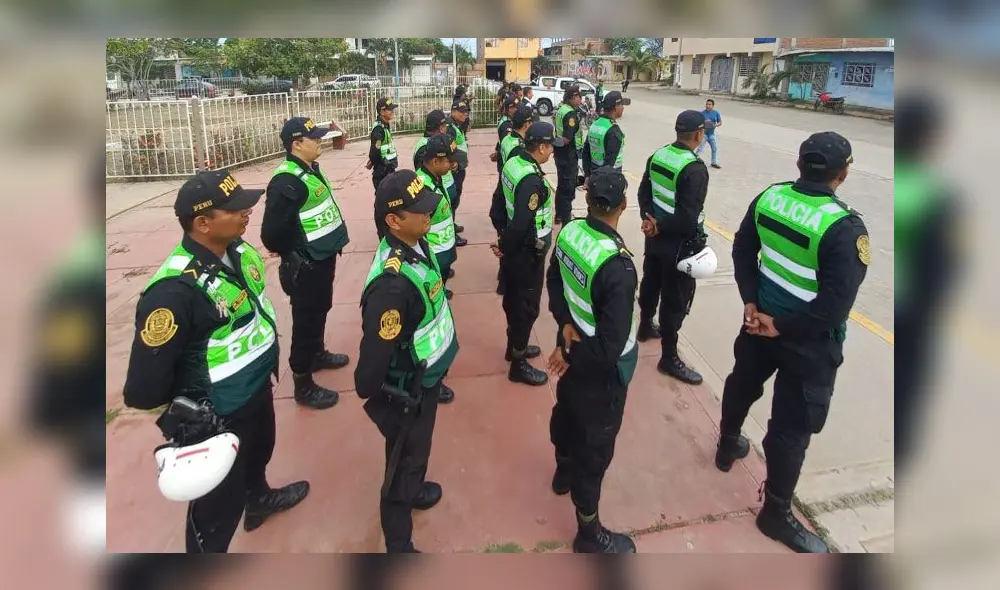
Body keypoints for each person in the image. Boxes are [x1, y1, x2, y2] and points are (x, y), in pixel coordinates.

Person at [123, 169, 310, 553]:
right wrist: (192, 418)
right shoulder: (173, 292)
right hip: (218, 411)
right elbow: (143, 388)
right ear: (203, 223)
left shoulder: (238, 251)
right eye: (235, 209)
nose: (248, 212)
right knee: (217, 507)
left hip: (256, 386)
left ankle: (258, 500)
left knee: (260, 451)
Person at [717, 132, 869, 553]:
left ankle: (727, 441)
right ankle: (775, 513)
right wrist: (779, 325)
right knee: (790, 429)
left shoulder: (770, 198)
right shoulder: (844, 226)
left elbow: (743, 249)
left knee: (741, 383)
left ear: (800, 164)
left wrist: (751, 301)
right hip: (805, 343)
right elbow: (834, 307)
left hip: (757, 323)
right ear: (843, 173)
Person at [355, 170, 460, 552]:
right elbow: (368, 373)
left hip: (425, 379)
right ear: (393, 221)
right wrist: (393, 400)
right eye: (420, 211)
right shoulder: (391, 286)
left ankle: (413, 489)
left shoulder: (415, 244)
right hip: (407, 391)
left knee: (418, 454)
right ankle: (399, 544)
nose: (429, 215)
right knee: (403, 464)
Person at [545, 166, 639, 554]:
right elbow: (611, 347)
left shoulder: (569, 233)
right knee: (595, 447)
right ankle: (588, 530)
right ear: (623, 205)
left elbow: (553, 282)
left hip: (573, 353)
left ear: (586, 199)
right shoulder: (618, 265)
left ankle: (562, 470)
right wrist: (571, 349)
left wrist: (565, 327)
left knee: (565, 416)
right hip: (600, 372)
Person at [261, 117, 348, 410]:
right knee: (305, 319)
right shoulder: (286, 181)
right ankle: (303, 381)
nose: (320, 141)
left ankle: (317, 353)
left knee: (320, 309)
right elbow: (272, 233)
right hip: (307, 264)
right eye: (315, 138)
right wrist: (295, 253)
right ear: (297, 144)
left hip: (322, 257)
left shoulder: (307, 170)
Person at [636, 110, 710, 385]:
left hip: (654, 237)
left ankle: (644, 326)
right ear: (699, 134)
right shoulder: (694, 168)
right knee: (675, 299)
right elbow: (688, 217)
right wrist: (660, 226)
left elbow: (644, 193)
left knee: (651, 282)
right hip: (678, 243)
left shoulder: (658, 155)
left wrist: (649, 221)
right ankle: (669, 357)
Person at [498, 121, 564, 385]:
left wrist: (502, 238)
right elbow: (523, 222)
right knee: (525, 308)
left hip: (517, 250)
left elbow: (498, 203)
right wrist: (506, 245)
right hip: (526, 254)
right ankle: (518, 364)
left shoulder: (514, 162)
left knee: (514, 302)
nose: (552, 153)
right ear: (541, 147)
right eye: (551, 148)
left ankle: (516, 345)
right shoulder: (531, 180)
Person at [490, 103, 533, 296]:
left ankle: (503, 276)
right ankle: (506, 282)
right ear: (526, 124)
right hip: (510, 192)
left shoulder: (508, 138)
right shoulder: (518, 147)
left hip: (503, 186)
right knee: (510, 239)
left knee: (504, 234)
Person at [412, 110, 467, 248]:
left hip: (445, 186)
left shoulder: (438, 142)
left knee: (449, 211)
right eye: (445, 125)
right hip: (436, 191)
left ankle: (451, 229)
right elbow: (424, 173)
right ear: (441, 127)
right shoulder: (426, 147)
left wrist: (452, 164)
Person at [415, 135, 459, 301]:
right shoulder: (423, 188)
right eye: (449, 161)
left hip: (444, 247)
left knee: (444, 276)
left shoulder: (436, 178)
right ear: (435, 162)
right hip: (434, 252)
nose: (453, 164)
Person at [552, 84, 585, 224]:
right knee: (568, 188)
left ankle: (559, 214)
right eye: (578, 97)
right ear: (571, 98)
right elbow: (566, 139)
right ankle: (566, 220)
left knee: (561, 185)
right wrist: (552, 142)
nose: (581, 100)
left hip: (560, 156)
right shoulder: (570, 114)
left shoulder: (561, 109)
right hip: (568, 155)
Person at [582, 91, 628, 178]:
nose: (623, 108)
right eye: (621, 105)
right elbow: (609, 164)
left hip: (593, 173)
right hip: (609, 179)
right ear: (615, 107)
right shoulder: (613, 130)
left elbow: (586, 153)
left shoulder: (595, 124)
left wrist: (587, 176)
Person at [446, 101, 471, 240]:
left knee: (455, 200)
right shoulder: (450, 127)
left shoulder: (456, 125)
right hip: (455, 171)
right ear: (453, 111)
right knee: (452, 201)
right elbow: (449, 150)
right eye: (461, 111)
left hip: (459, 169)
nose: (464, 114)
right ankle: (452, 234)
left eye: (465, 111)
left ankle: (452, 224)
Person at [367, 97, 400, 190]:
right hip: (383, 172)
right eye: (390, 110)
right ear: (382, 112)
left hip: (388, 170)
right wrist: (386, 164)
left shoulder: (385, 125)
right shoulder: (379, 129)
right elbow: (374, 155)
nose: (392, 112)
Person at [696, 99, 722, 169]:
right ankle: (695, 160)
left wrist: (715, 125)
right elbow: (698, 123)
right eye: (707, 104)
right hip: (703, 134)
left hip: (711, 134)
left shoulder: (716, 113)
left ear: (713, 106)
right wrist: (704, 123)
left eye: (709, 104)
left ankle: (713, 163)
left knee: (714, 148)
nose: (707, 106)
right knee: (700, 148)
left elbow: (720, 122)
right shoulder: (702, 113)